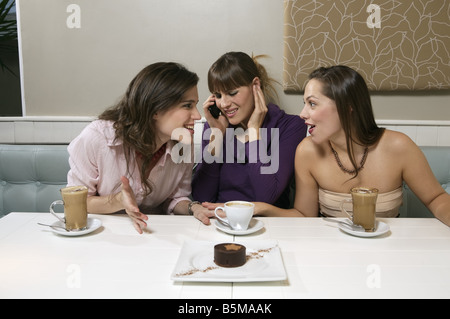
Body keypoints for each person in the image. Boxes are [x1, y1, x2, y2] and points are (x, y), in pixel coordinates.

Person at [255, 65, 450, 226]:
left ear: (346, 107)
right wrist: (262, 208)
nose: (303, 114)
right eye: (305, 103)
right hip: (331, 254)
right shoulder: (307, 152)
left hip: (389, 252)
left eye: (312, 104)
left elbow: (436, 199)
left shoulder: (399, 146)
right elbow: (305, 216)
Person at [67, 62, 209, 233]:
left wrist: (193, 208)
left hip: (152, 235)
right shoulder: (97, 138)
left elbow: (175, 198)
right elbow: (77, 202)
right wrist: (118, 200)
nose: (197, 115)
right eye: (187, 105)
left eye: (195, 105)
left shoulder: (184, 146)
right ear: (155, 109)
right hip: (102, 236)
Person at [191, 52, 307, 224]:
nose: (223, 104)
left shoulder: (290, 126)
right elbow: (202, 196)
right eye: (218, 95)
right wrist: (216, 137)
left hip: (269, 225)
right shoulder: (216, 125)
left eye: (232, 93)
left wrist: (253, 132)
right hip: (218, 222)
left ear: (255, 85)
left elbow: (266, 197)